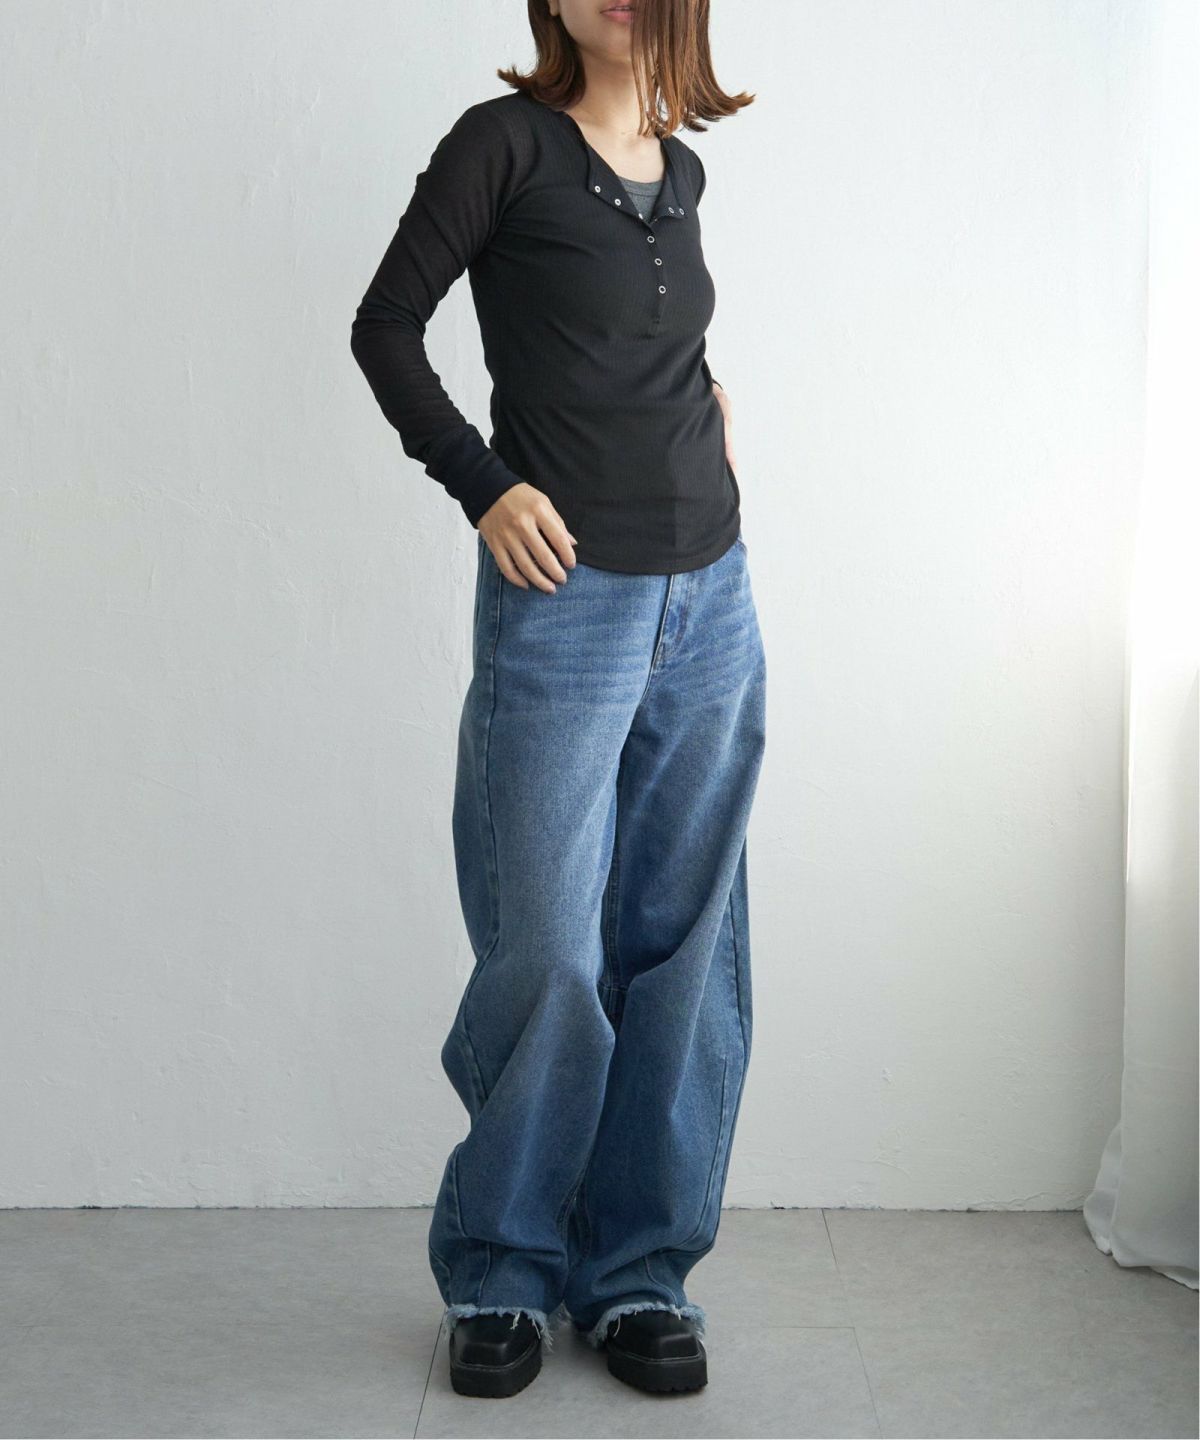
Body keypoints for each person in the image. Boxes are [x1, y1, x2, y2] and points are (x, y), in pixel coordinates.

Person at [350, 0, 764, 1400]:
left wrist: (714, 408)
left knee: (681, 950)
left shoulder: (682, 169)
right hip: (566, 598)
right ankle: (503, 1270)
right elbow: (386, 327)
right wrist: (484, 485)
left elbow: (648, 350)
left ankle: (640, 1272)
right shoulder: (503, 145)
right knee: (546, 947)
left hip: (712, 599)